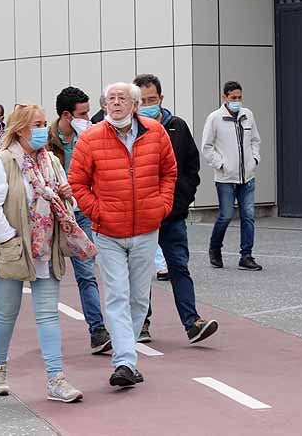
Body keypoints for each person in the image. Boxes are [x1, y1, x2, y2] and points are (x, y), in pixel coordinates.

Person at [69, 82, 177, 388]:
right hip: (108, 232)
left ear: (135, 105)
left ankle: (126, 355)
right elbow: (77, 182)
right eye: (110, 99)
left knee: (139, 297)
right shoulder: (91, 138)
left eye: (122, 99)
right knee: (117, 295)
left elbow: (169, 172)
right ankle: (125, 361)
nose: (115, 103)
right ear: (105, 106)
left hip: (146, 228)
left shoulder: (155, 132)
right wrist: (97, 211)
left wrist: (162, 205)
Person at [0, 103, 90, 402]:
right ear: (19, 129)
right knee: (5, 312)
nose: (42, 129)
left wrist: (70, 198)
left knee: (48, 315)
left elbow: (68, 204)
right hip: (12, 248)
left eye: (44, 123)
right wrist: (10, 238)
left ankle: (56, 379)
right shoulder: (1, 163)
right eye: (35, 125)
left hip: (46, 248)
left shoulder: (52, 162)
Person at [133, 74, 219, 345]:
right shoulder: (129, 130)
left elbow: (190, 168)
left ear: (161, 99)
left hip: (173, 215)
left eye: (152, 99)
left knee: (179, 267)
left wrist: (180, 202)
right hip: (142, 217)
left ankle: (192, 322)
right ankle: (141, 323)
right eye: (143, 100)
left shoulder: (177, 127)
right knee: (140, 271)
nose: (148, 104)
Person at [49, 86, 111, 354]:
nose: (89, 118)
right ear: (66, 115)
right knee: (47, 277)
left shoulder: (89, 137)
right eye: (83, 114)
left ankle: (97, 330)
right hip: (50, 216)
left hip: (81, 215)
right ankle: (47, 332)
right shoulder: (46, 141)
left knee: (87, 274)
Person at [202, 81, 263, 271]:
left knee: (248, 216)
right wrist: (221, 165)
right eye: (233, 98)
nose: (237, 101)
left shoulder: (248, 115)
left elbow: (255, 140)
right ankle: (215, 249)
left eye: (239, 97)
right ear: (225, 98)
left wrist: (254, 159)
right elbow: (207, 147)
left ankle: (246, 256)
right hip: (225, 178)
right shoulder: (215, 118)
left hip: (247, 177)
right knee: (226, 215)